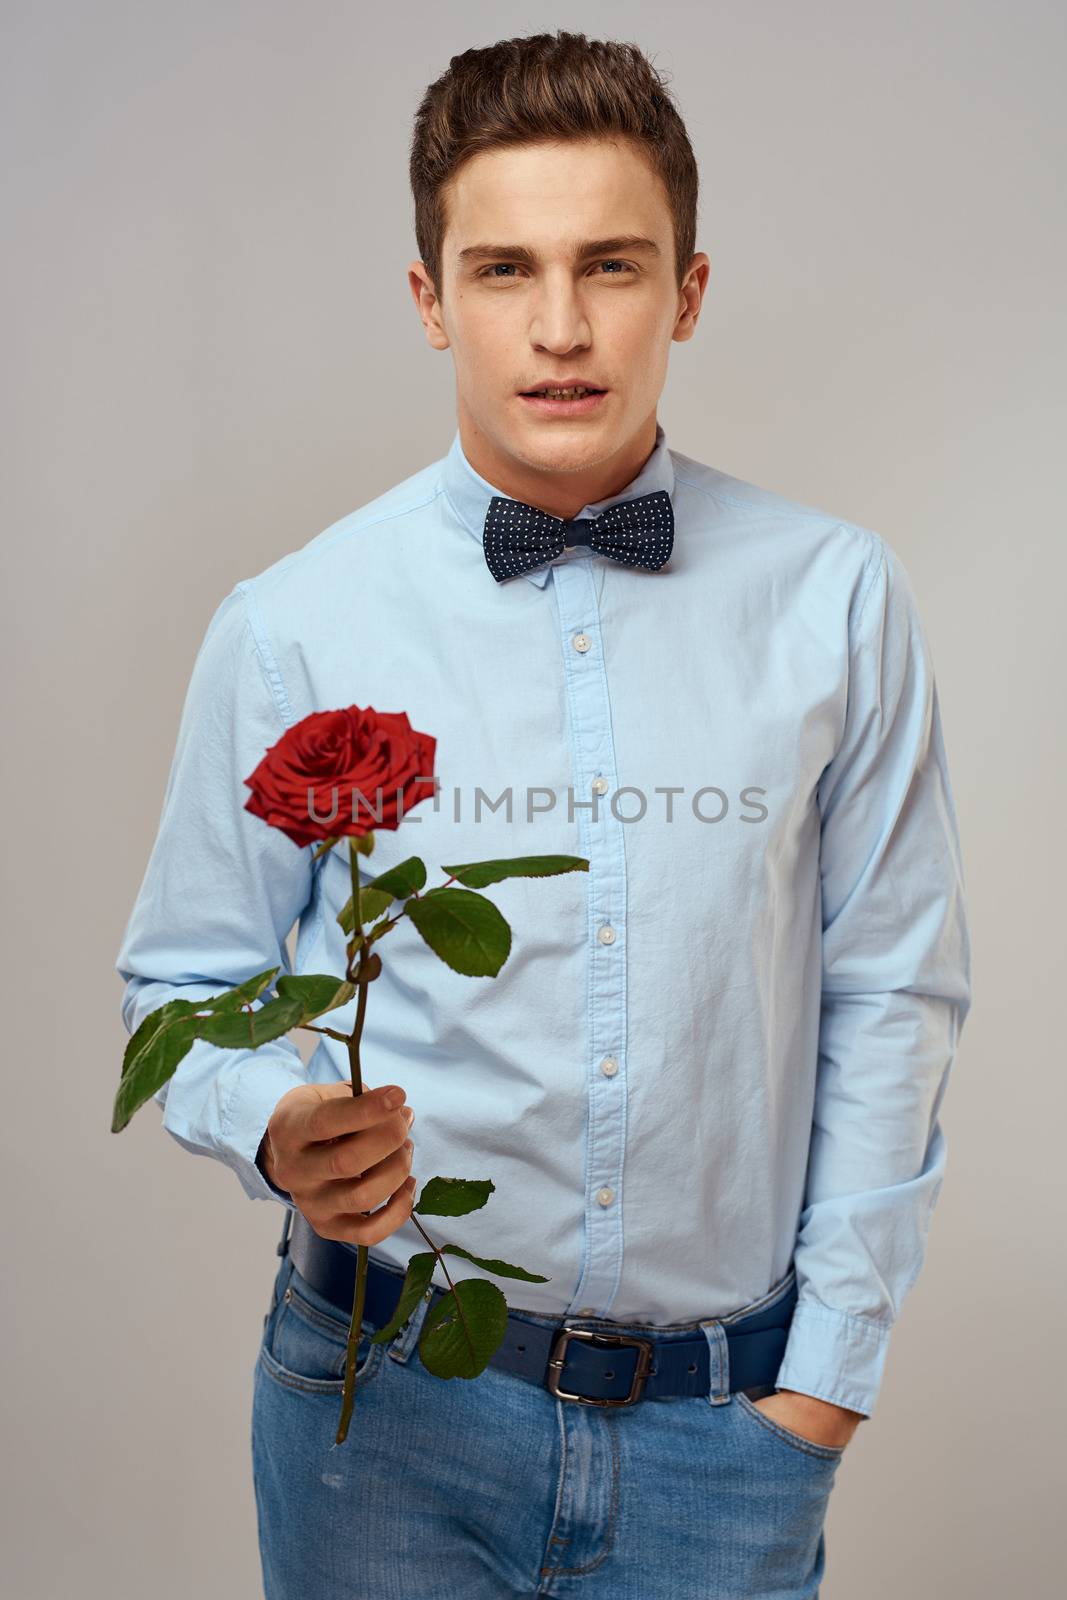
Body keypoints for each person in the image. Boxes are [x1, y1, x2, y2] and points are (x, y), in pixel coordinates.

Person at [114, 28, 972, 1600]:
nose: (562, 329)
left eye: (614, 267)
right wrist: (279, 1125)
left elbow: (893, 992)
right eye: (505, 269)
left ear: (689, 293)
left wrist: (823, 1389)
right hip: (380, 1420)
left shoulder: (838, 601)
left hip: (731, 1437)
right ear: (432, 297)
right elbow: (181, 989)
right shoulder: (294, 622)